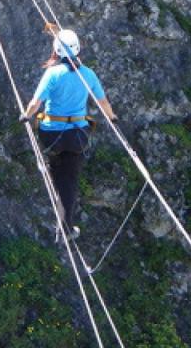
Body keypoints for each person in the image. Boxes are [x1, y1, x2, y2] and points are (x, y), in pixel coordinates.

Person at [19, 29, 117, 242]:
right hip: (77, 136)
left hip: (52, 134)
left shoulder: (53, 74)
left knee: (58, 174)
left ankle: (49, 165)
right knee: (69, 180)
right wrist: (113, 117)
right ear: (78, 49)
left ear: (56, 50)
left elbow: (36, 103)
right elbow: (102, 103)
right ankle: (66, 227)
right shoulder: (88, 74)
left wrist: (25, 116)